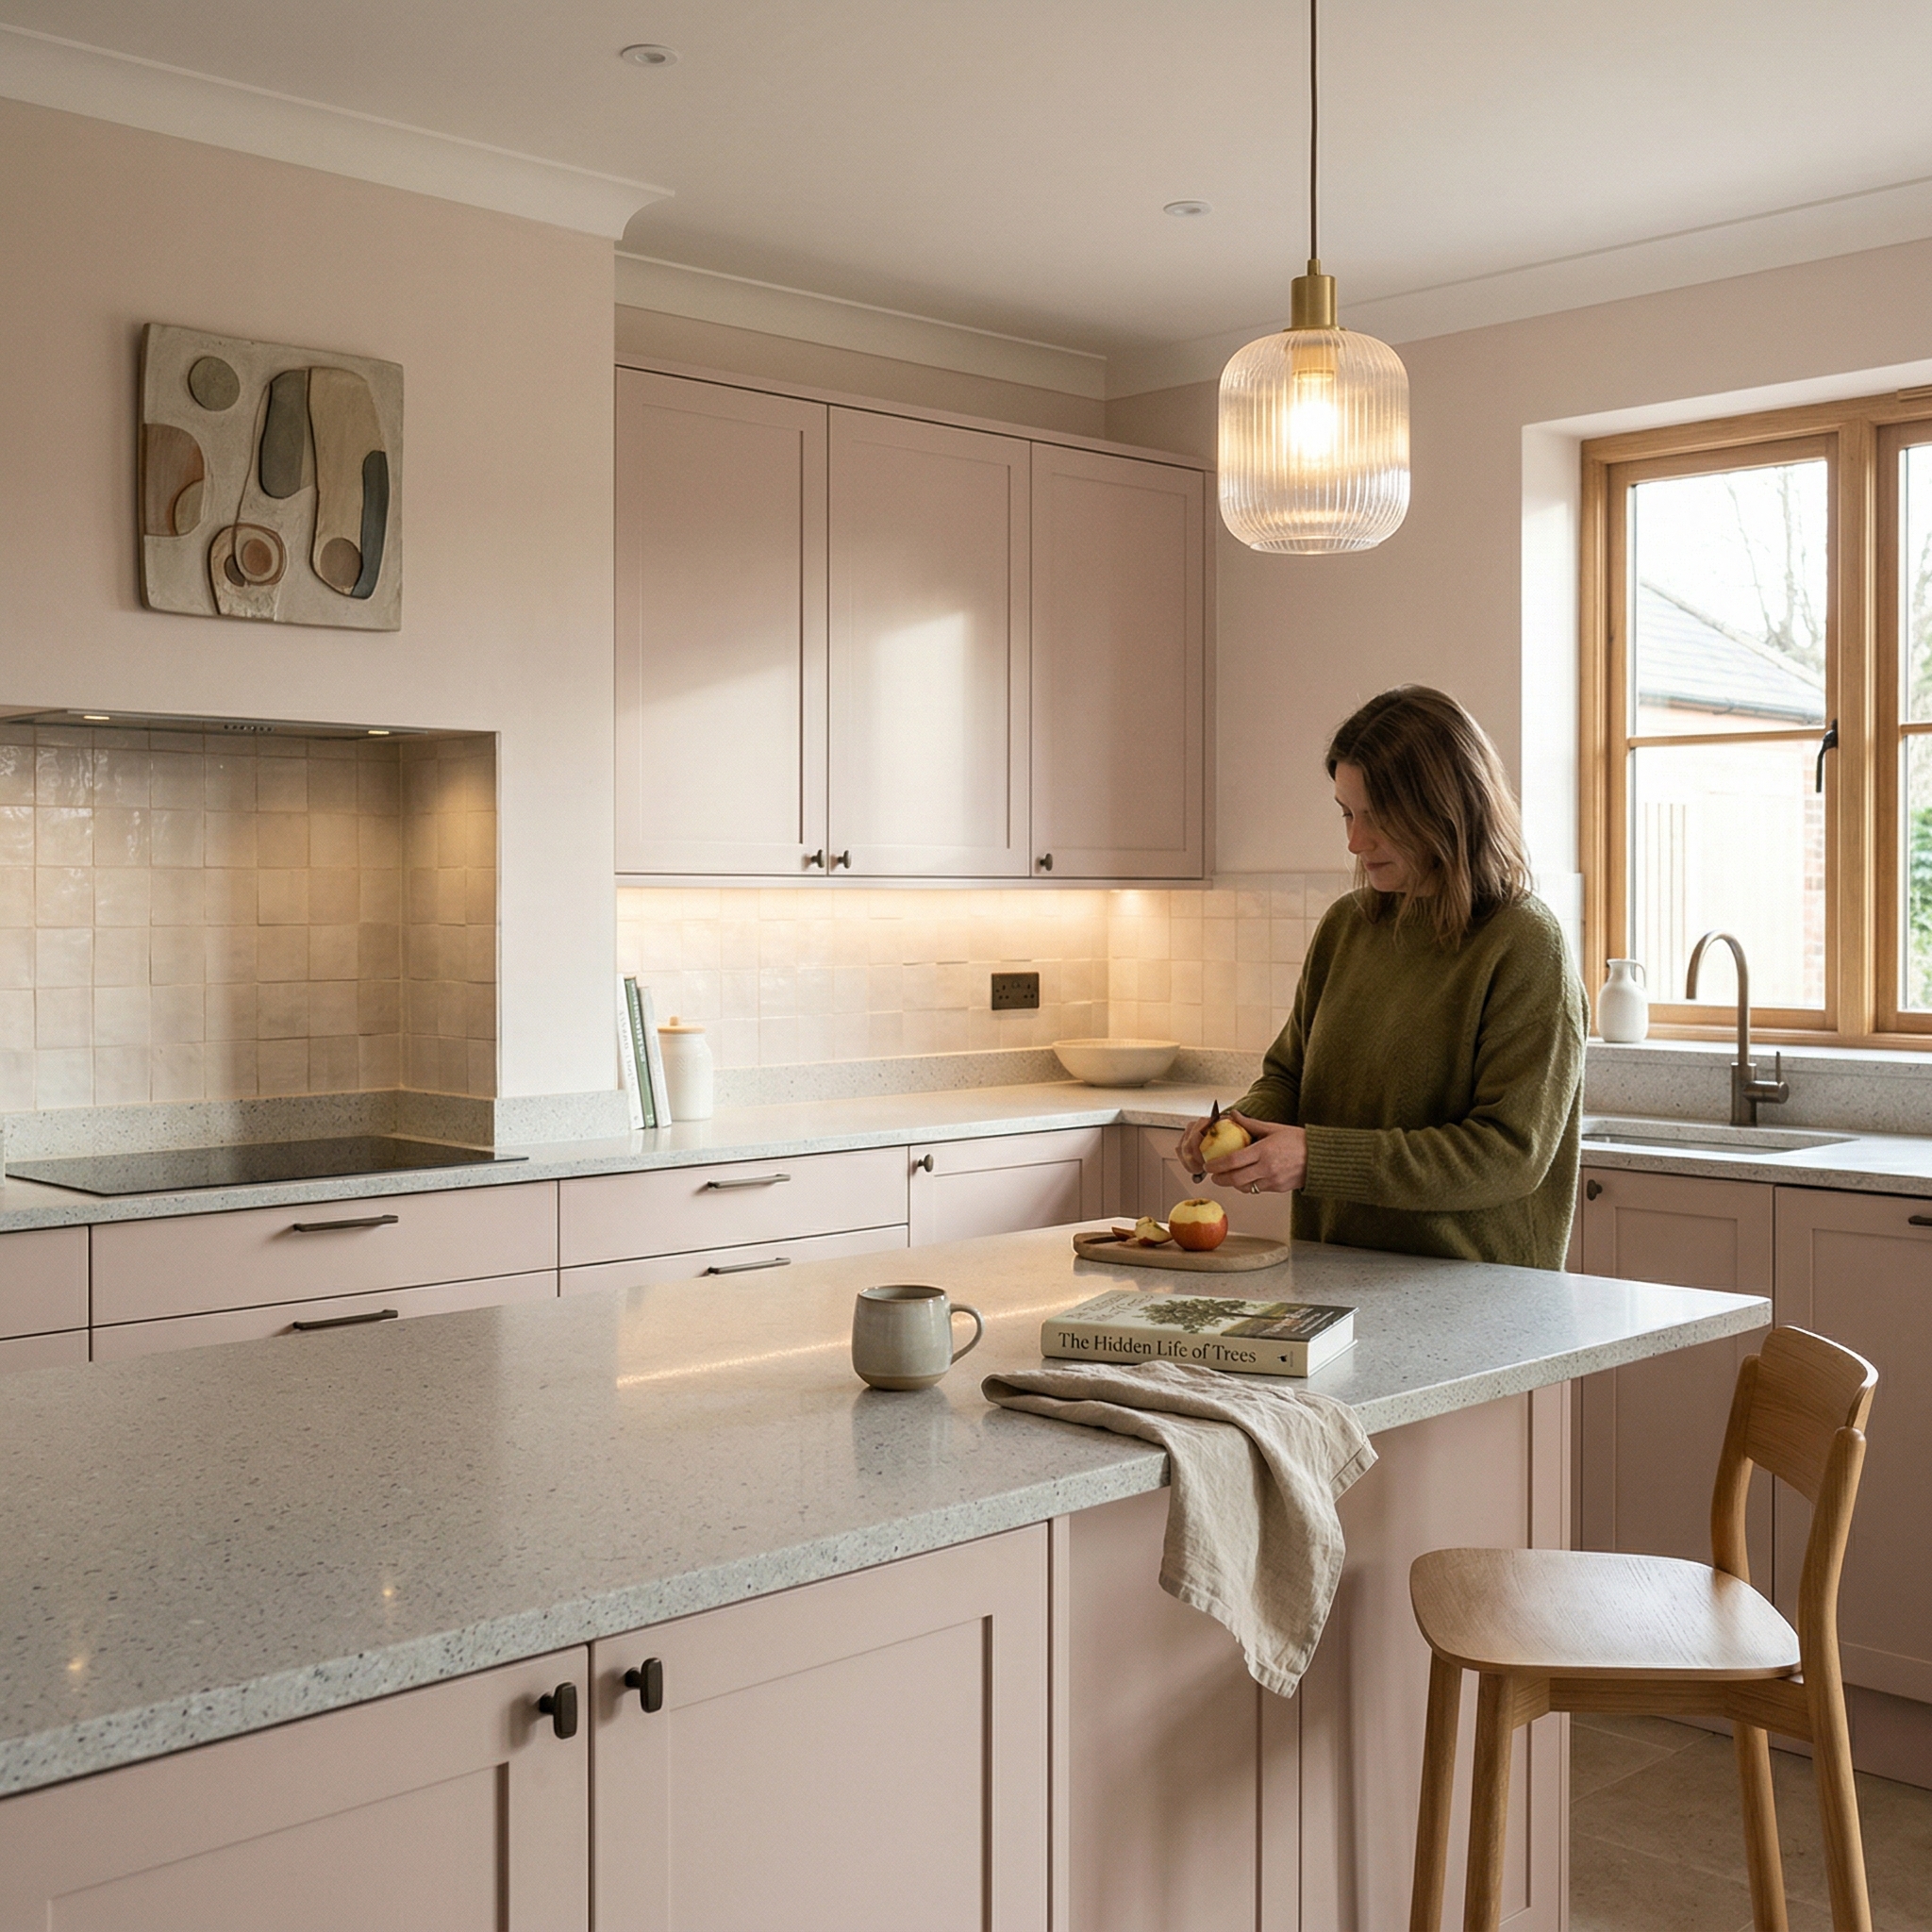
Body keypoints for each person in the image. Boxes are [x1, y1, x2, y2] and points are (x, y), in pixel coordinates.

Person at [1177, 685, 1586, 1269]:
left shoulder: (1523, 943)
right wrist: (1237, 1128)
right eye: (1347, 813)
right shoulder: (1348, 925)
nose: (1354, 841)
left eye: (1379, 817)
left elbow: (1508, 1154)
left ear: (1446, 808)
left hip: (1476, 1294)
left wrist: (1316, 1158)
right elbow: (1289, 1078)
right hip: (1332, 1275)